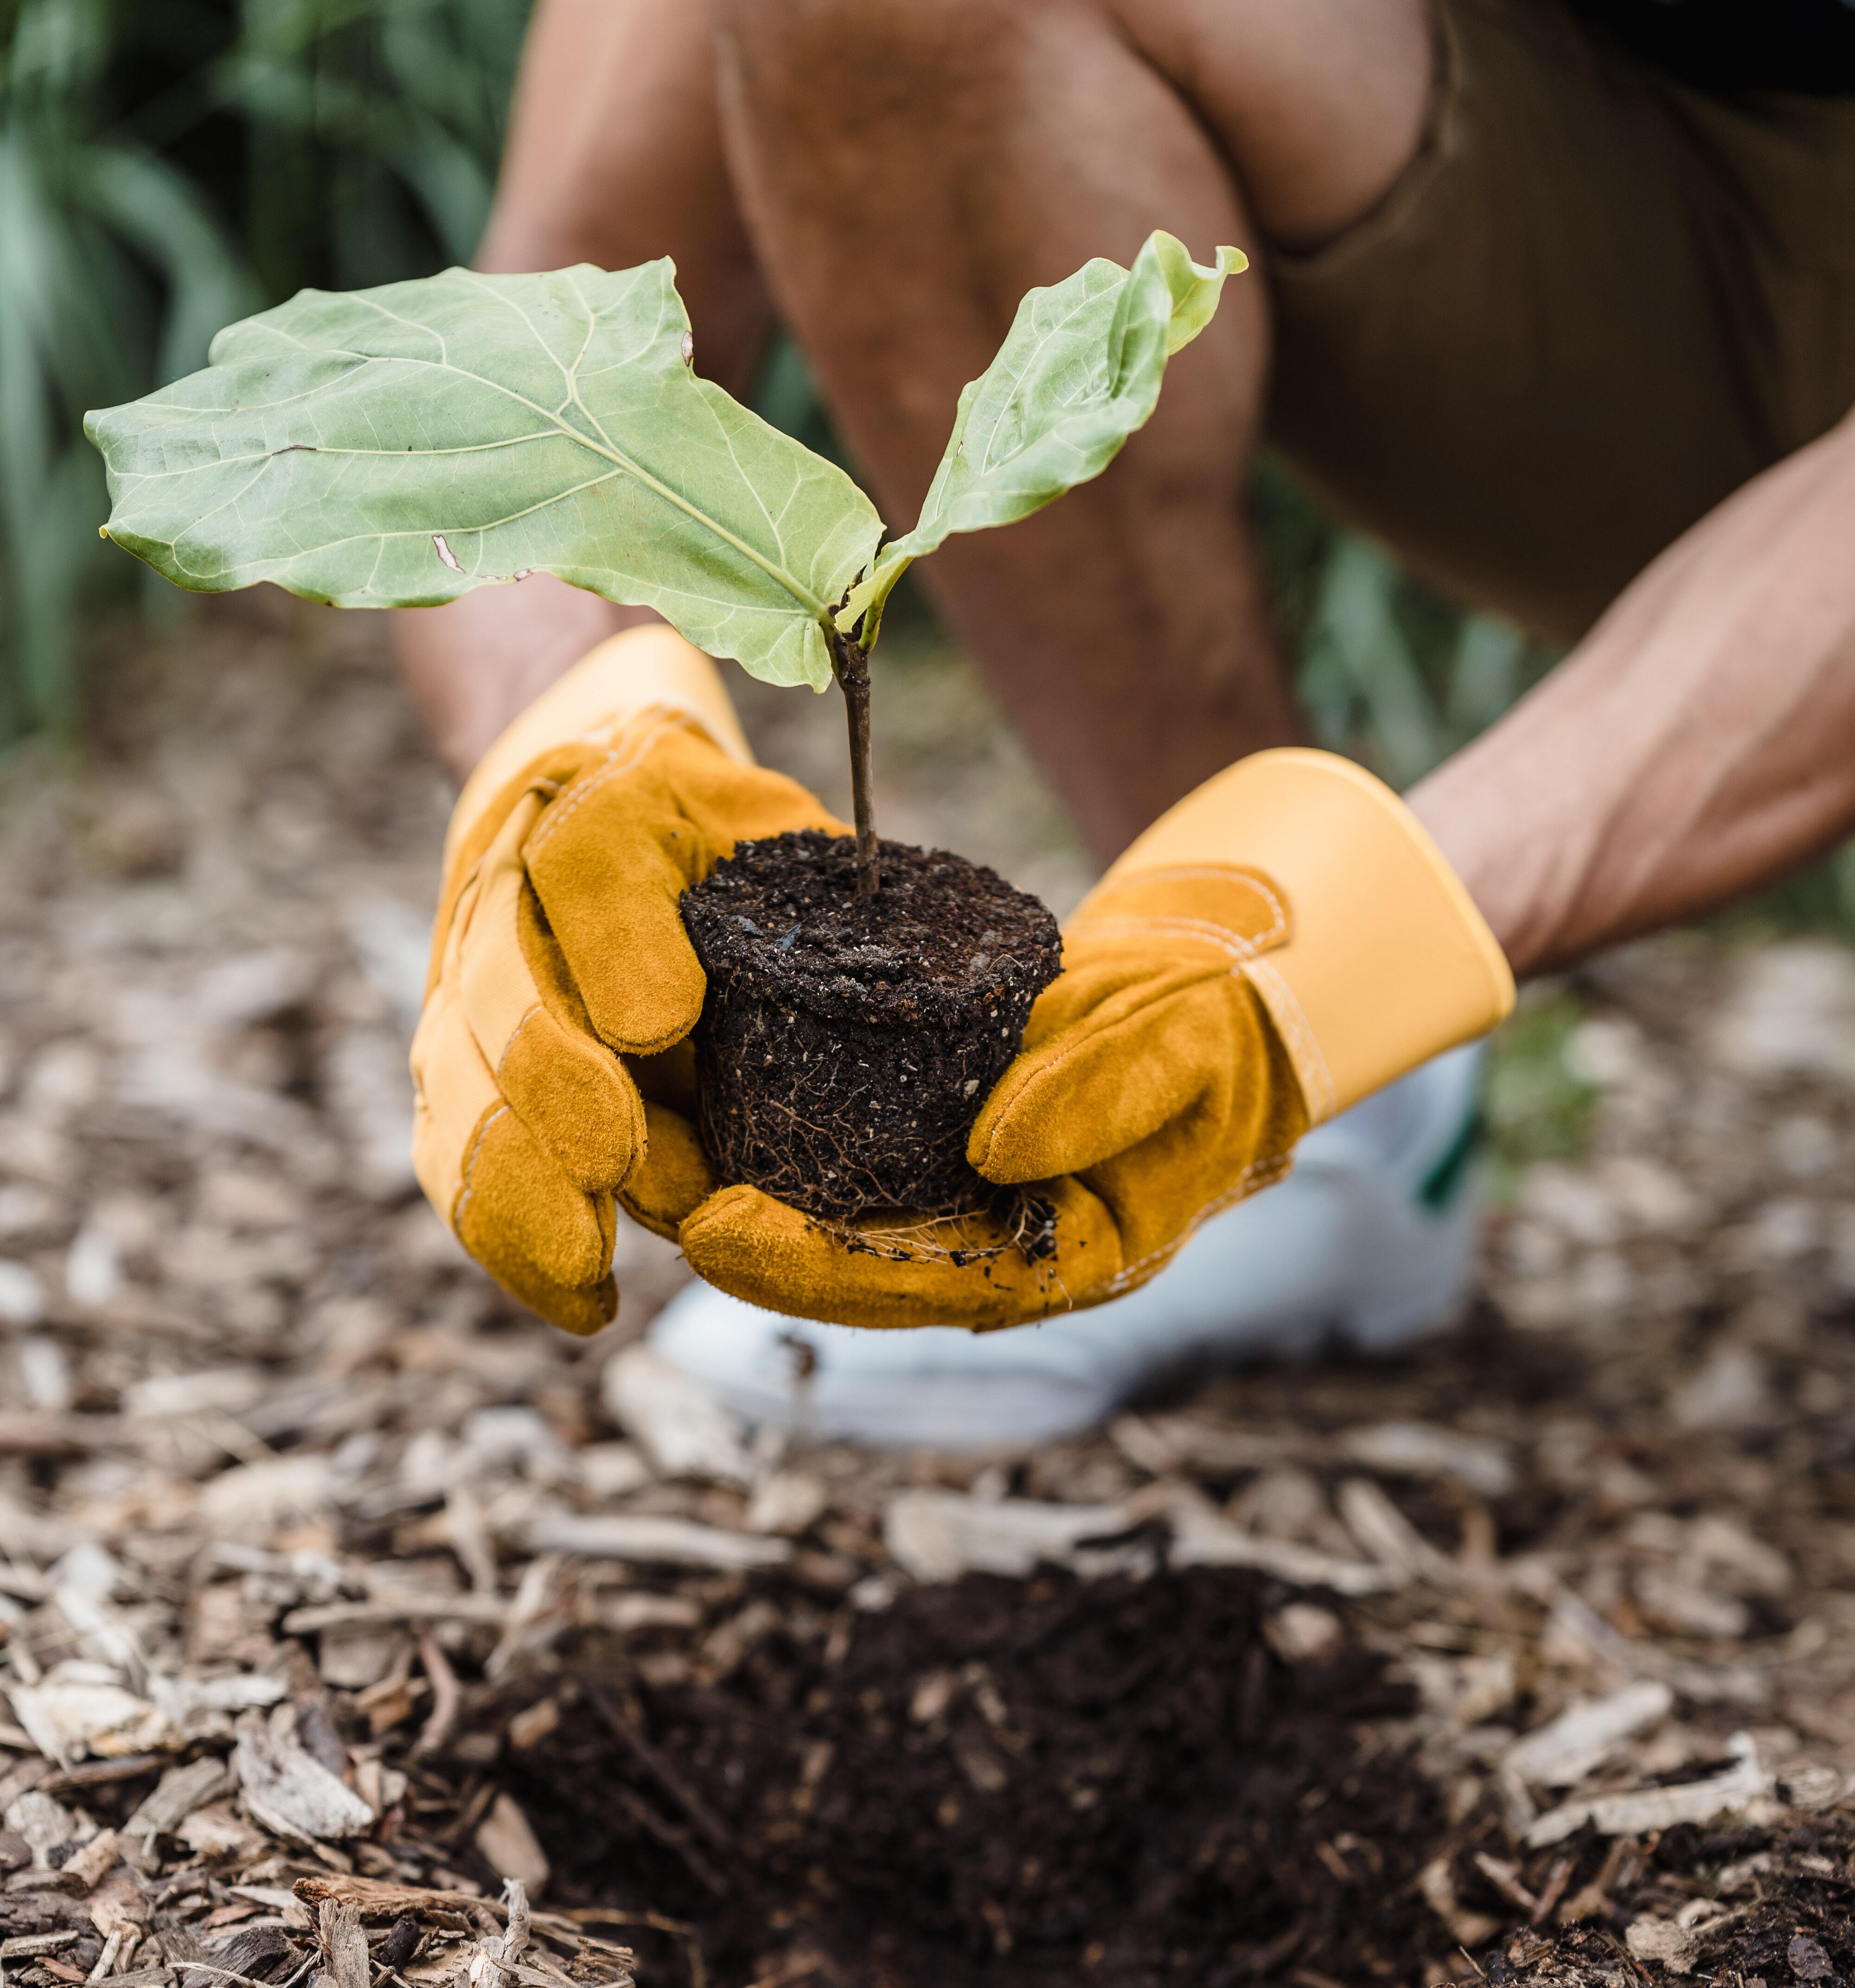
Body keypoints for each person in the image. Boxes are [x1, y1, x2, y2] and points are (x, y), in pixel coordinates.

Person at [400, 0, 1855, 1445]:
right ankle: (1297, 1146)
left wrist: (1344, 940)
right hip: (1590, 269)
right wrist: (562, 738)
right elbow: (533, 358)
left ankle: (1294, 1083)